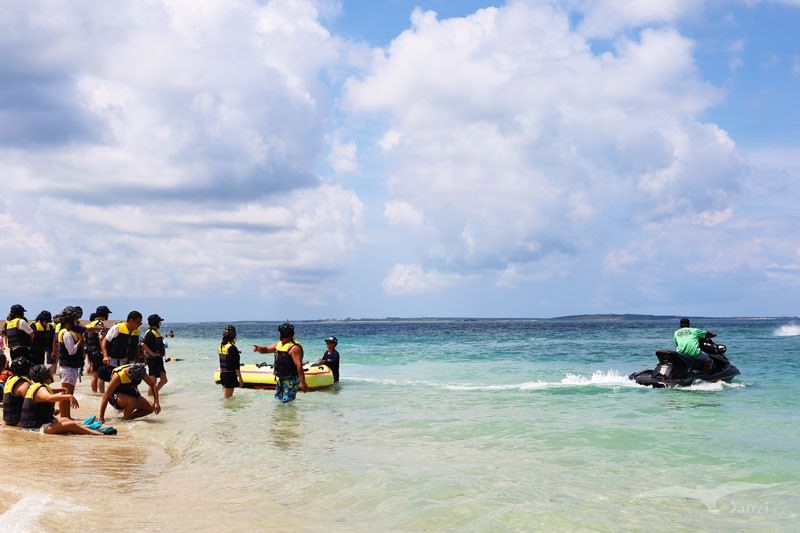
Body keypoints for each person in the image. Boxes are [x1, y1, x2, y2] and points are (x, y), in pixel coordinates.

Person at [20, 364, 114, 435]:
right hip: (35, 429)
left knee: (64, 419)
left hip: (39, 425)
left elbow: (47, 393)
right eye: (49, 372)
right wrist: (69, 396)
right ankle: (98, 434)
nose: (52, 374)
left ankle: (86, 425)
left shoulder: (38, 387)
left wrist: (61, 390)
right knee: (70, 425)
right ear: (45, 376)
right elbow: (49, 397)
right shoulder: (40, 389)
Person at [253, 322, 308, 403]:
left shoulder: (294, 348)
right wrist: (259, 348)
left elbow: (299, 366)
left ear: (283, 334)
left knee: (287, 403)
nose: (278, 334)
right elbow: (267, 349)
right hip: (281, 379)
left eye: (279, 332)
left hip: (291, 380)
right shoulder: (280, 344)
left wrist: (303, 383)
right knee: (278, 401)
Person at [55, 313, 85, 419]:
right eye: (74, 321)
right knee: (66, 393)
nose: (76, 324)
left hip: (69, 367)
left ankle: (67, 416)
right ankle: (64, 417)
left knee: (68, 393)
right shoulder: (67, 334)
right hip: (68, 368)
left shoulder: (64, 332)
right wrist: (80, 341)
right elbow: (71, 351)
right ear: (68, 323)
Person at [85, 306, 111, 393]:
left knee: (94, 374)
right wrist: (104, 352)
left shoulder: (90, 324)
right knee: (101, 375)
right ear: (104, 314)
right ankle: (102, 394)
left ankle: (94, 393)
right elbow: (101, 338)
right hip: (98, 352)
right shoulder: (100, 324)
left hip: (90, 351)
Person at [142, 314, 168, 394]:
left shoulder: (155, 332)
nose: (160, 323)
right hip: (152, 360)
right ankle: (151, 395)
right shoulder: (150, 333)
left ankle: (153, 394)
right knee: (153, 382)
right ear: (156, 322)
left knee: (164, 380)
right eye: (159, 322)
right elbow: (143, 344)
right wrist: (152, 353)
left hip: (158, 359)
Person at [3, 357, 32, 426]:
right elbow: (32, 402)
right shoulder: (24, 384)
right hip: (18, 421)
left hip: (8, 419)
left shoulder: (10, 379)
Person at [218, 324, 244, 399]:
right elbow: (236, 366)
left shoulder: (221, 346)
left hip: (223, 375)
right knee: (228, 399)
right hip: (230, 376)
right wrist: (240, 379)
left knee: (226, 398)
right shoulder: (232, 348)